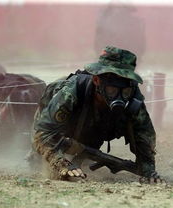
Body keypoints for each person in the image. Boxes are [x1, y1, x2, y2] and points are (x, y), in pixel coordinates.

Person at [32, 46, 161, 183]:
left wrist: (148, 171)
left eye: (125, 91)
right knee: (36, 162)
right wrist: (61, 163)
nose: (119, 96)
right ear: (96, 81)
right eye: (112, 89)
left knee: (84, 161)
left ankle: (82, 155)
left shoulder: (133, 98)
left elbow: (145, 138)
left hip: (91, 135)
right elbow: (42, 134)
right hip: (54, 130)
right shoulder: (71, 92)